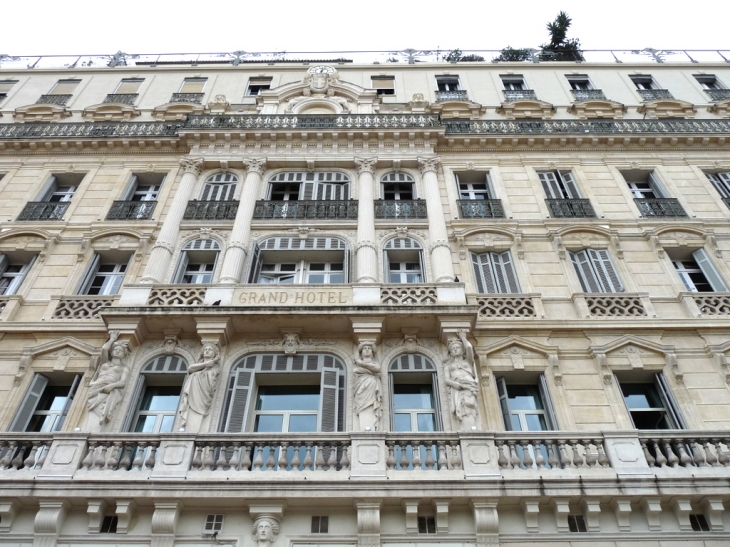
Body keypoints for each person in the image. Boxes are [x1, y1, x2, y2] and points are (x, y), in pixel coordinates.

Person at [86, 330, 129, 433]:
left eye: (120, 350)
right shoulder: (105, 362)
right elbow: (104, 349)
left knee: (100, 413)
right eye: (115, 349)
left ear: (124, 355)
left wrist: (112, 386)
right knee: (93, 413)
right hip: (96, 388)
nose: (117, 351)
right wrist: (112, 339)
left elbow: (123, 382)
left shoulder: (124, 368)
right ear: (112, 351)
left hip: (108, 389)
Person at [178, 342, 221, 432]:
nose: (207, 351)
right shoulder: (201, 364)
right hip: (193, 393)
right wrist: (207, 364)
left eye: (210, 349)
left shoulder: (216, 366)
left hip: (204, 393)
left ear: (215, 353)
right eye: (205, 349)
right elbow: (190, 369)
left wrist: (211, 364)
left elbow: (211, 376)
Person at [444, 330, 480, 430]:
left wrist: (463, 337)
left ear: (462, 350)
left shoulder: (468, 362)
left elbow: (469, 347)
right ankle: (467, 429)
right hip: (459, 388)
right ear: (450, 352)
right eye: (453, 349)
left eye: (457, 348)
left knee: (470, 406)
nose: (455, 350)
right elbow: (446, 380)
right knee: (462, 408)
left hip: (469, 386)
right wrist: (455, 385)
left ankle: (471, 430)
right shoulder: (449, 367)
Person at [352, 341, 382, 431]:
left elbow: (377, 369)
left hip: (371, 385)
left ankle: (369, 429)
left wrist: (362, 365)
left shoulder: (371, 363)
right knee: (361, 404)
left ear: (372, 353)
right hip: (360, 385)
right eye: (365, 349)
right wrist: (367, 368)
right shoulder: (356, 364)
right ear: (361, 352)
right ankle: (365, 429)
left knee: (370, 404)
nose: (367, 350)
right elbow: (355, 371)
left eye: (369, 348)